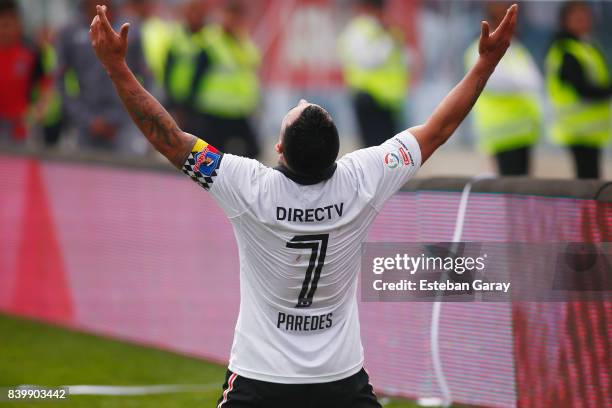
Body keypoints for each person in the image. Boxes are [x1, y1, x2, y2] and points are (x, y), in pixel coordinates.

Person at [89, 3, 517, 407]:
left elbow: (170, 139)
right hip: (340, 380)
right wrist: (486, 62)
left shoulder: (247, 184)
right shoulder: (363, 177)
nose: (298, 102)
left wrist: (115, 68)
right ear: (337, 153)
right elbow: (438, 129)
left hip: (259, 379)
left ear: (278, 148)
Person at [56, 0, 150, 154]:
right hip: (86, 126)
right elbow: (60, 80)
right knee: (86, 174)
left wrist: (132, 113)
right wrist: (84, 117)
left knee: (126, 174)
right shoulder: (69, 31)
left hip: (124, 123)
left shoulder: (130, 27)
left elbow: (146, 77)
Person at [465, 1, 542, 176]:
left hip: (523, 131)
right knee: (508, 189)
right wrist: (521, 82)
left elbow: (536, 81)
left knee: (521, 188)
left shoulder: (516, 48)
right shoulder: (476, 50)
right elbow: (495, 82)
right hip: (501, 135)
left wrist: (518, 82)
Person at [545, 1, 612, 179]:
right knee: (587, 181)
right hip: (577, 129)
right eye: (578, 18)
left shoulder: (587, 46)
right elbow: (582, 88)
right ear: (565, 21)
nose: (584, 22)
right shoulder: (567, 51)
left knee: (592, 178)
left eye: (586, 17)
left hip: (590, 129)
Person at [339, 0, 409, 147]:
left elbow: (404, 60)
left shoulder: (385, 29)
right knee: (374, 151)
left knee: (389, 152)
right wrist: (388, 41)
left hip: (388, 101)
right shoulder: (360, 29)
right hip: (369, 99)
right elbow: (367, 60)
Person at [0, 0, 51, 144]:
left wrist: (38, 110)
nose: (6, 30)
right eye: (3, 25)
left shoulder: (31, 51)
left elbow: (45, 84)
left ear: (18, 23)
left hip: (21, 127)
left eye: (10, 24)